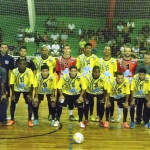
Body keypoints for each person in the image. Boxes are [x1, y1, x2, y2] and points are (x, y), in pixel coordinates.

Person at [7, 59, 34, 127]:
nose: (22, 65)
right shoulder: (14, 71)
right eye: (20, 64)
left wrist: (31, 95)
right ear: (18, 64)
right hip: (17, 89)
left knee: (29, 102)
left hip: (27, 89)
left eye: (24, 64)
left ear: (26, 65)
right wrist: (13, 94)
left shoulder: (29, 71)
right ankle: (12, 119)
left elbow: (32, 84)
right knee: (13, 102)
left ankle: (29, 120)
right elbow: (12, 83)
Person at [76, 43, 99, 121]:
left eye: (90, 48)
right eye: (87, 48)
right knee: (80, 97)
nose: (88, 49)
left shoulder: (95, 58)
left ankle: (91, 114)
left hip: (91, 81)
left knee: (90, 99)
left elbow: (97, 69)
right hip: (82, 80)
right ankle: (79, 114)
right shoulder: (80, 57)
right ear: (84, 49)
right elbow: (77, 69)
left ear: (91, 49)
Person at [117, 46, 138, 122]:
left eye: (129, 51)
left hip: (131, 82)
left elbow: (136, 73)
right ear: (124, 52)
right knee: (120, 99)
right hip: (121, 82)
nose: (127, 52)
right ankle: (119, 116)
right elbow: (118, 72)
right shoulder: (120, 61)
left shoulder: (134, 62)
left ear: (131, 52)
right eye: (126, 51)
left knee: (131, 99)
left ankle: (130, 116)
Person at [99, 46, 117, 122]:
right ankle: (100, 116)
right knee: (102, 99)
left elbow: (115, 73)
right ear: (103, 51)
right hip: (102, 83)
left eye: (108, 50)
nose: (107, 51)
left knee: (111, 99)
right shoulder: (99, 60)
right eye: (105, 49)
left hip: (110, 83)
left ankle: (111, 115)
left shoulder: (114, 61)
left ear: (110, 52)